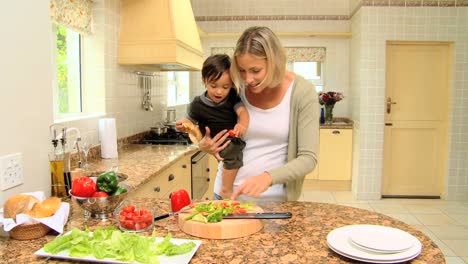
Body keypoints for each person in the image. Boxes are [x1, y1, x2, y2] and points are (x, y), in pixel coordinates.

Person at [199, 26, 319, 202]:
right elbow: (218, 131)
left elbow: (308, 158)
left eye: (255, 71)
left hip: (274, 201)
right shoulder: (235, 88)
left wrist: (267, 177)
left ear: (275, 61)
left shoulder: (302, 92)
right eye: (241, 70)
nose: (247, 79)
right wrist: (207, 145)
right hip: (226, 196)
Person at [176, 54, 249, 199]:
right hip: (211, 142)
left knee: (232, 156)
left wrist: (242, 125)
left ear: (232, 85)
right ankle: (225, 191)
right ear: (204, 81)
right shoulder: (197, 104)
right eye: (213, 86)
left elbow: (243, 113)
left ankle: (226, 190)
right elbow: (190, 120)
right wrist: (183, 124)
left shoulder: (232, 97)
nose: (219, 91)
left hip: (231, 141)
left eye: (225, 87)